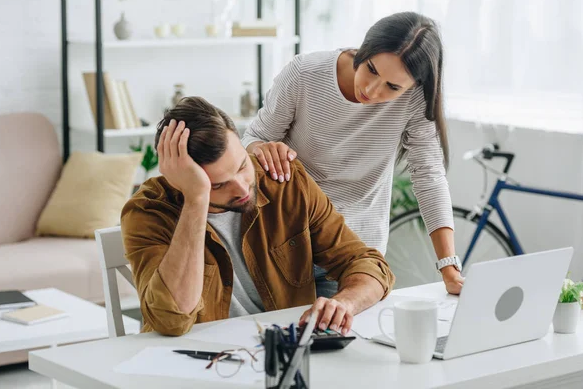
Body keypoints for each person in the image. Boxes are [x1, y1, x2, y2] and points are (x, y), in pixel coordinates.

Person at [121, 96, 394, 337]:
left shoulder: (285, 183)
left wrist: (345, 302)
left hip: (282, 353)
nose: (241, 187)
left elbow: (367, 264)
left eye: (241, 165)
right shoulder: (148, 212)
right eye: (218, 185)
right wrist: (196, 200)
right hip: (199, 363)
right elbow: (171, 320)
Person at [242, 11, 463, 296]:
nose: (371, 90)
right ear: (365, 48)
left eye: (392, 87)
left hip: (355, 252)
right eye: (371, 68)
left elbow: (429, 175)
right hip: (285, 242)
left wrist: (449, 267)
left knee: (345, 337)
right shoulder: (305, 74)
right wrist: (262, 148)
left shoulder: (416, 99)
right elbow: (255, 136)